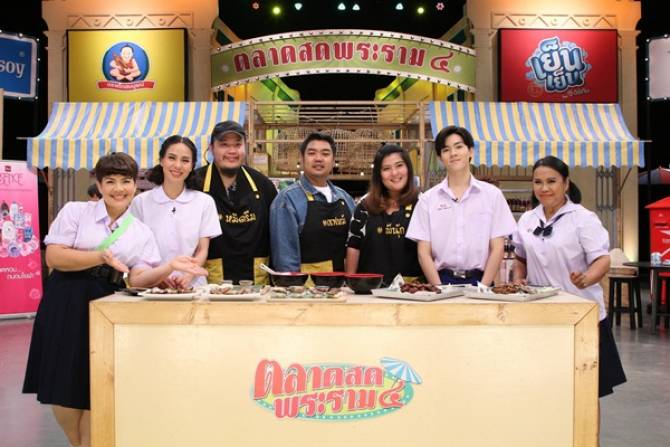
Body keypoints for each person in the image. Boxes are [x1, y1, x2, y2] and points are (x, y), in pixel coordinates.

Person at [22, 152, 206, 447]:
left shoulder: (140, 232)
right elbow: (54, 257)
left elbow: (138, 278)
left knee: (97, 381)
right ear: (99, 184)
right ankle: (77, 442)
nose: (118, 189)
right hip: (65, 298)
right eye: (110, 181)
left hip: (108, 302)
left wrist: (169, 267)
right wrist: (100, 257)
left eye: (125, 181)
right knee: (61, 382)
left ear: (135, 185)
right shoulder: (75, 212)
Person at [512, 155, 625, 398]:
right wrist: (518, 278)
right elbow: (520, 258)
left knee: (586, 392)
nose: (544, 188)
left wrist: (587, 278)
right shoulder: (528, 219)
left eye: (551, 181)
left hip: (581, 314)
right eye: (538, 182)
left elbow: (602, 259)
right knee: (545, 389)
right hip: (540, 315)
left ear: (566, 183)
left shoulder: (583, 219)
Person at [406, 125, 515, 286]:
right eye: (446, 150)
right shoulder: (427, 200)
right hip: (442, 280)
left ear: (470, 151)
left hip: (480, 279)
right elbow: (423, 252)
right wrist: (439, 288)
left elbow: (497, 248)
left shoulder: (492, 195)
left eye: (458, 147)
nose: (453, 153)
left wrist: (483, 287)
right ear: (440, 157)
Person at [131, 135, 221, 288]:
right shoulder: (141, 202)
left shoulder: (204, 202)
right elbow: (138, 250)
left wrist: (188, 276)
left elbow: (202, 250)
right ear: (162, 160)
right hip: (152, 286)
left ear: (192, 166)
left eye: (185, 160)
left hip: (193, 285)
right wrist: (159, 275)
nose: (178, 165)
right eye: (172, 158)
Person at [195, 121, 277, 284]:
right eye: (224, 145)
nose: (232, 151)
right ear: (211, 148)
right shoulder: (195, 183)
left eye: (237, 145)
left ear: (245, 147)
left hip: (256, 283)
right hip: (209, 284)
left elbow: (276, 236)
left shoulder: (263, 185)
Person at [270, 132, 355, 273]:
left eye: (325, 154)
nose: (318, 159)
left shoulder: (344, 198)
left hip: (343, 285)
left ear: (333, 161)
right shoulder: (287, 200)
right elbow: (286, 261)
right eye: (312, 153)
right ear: (302, 159)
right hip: (307, 286)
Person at [346, 144, 421, 285]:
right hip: (369, 289)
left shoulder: (422, 203)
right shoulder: (364, 206)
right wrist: (351, 284)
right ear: (378, 175)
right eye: (386, 169)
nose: (394, 173)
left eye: (399, 165)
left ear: (408, 168)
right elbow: (353, 246)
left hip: (411, 290)